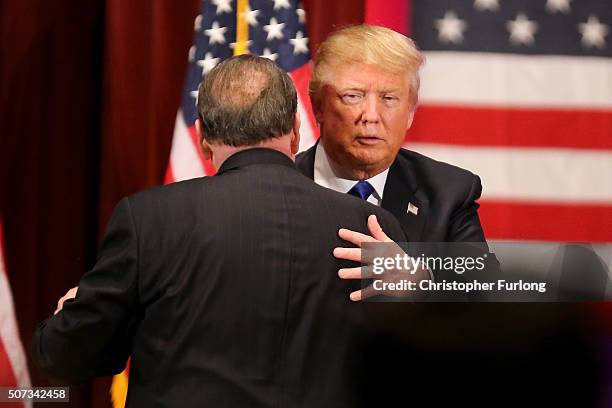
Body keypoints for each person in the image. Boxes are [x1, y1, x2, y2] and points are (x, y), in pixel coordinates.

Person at [32, 55, 410, 407]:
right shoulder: (371, 229)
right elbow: (412, 366)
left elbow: (67, 356)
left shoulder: (149, 219)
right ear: (296, 130)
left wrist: (73, 317)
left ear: (202, 138)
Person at [296, 24, 487, 243]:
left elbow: (479, 278)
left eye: (388, 98)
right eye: (353, 96)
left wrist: (419, 276)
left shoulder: (447, 194)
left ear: (410, 112)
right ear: (318, 106)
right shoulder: (275, 191)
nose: (371, 116)